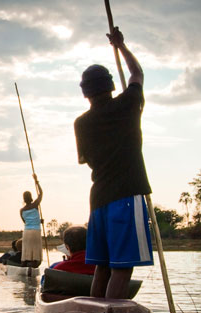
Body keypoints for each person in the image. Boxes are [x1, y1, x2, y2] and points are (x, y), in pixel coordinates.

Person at [74, 27, 153, 299]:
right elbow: (137, 75)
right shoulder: (128, 104)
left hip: (98, 201)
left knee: (103, 269)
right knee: (122, 269)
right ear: (110, 85)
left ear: (86, 93)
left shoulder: (81, 123)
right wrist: (121, 46)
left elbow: (86, 160)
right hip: (125, 197)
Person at [20, 174, 43, 268]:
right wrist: (36, 181)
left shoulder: (21, 210)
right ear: (31, 197)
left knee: (26, 254)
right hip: (36, 231)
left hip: (26, 232)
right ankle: (32, 273)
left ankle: (24, 269)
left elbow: (26, 222)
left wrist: (39, 220)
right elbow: (41, 193)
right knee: (34, 256)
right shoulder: (35, 204)